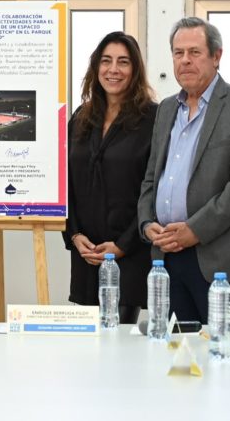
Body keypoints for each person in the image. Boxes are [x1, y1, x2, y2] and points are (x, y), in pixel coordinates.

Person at [138, 17, 230, 325]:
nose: (185, 60)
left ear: (216, 56)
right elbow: (151, 178)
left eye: (194, 52)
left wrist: (194, 230)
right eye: (178, 53)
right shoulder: (166, 109)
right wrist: (146, 224)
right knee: (172, 352)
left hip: (219, 259)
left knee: (220, 351)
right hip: (166, 257)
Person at [64, 31, 157, 323]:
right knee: (86, 342)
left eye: (123, 62)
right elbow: (65, 183)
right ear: (96, 67)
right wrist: (74, 235)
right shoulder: (81, 117)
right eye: (106, 61)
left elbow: (155, 189)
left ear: (135, 70)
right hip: (86, 253)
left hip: (128, 255)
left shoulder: (153, 119)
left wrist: (123, 245)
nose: (113, 69)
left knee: (119, 340)